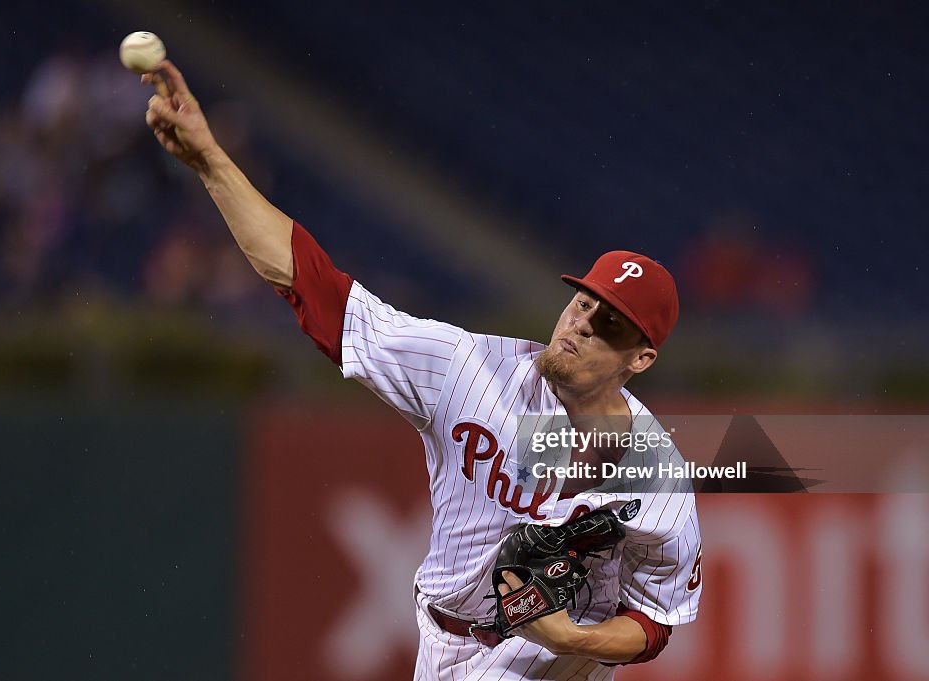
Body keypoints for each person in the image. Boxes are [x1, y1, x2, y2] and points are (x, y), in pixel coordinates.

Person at [142, 60, 701, 680]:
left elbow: (654, 620)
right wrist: (210, 163)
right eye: (583, 302)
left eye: (610, 325)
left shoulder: (655, 475)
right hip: (440, 642)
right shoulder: (466, 368)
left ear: (641, 358)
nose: (581, 324)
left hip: (552, 663)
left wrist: (576, 638)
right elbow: (318, 291)